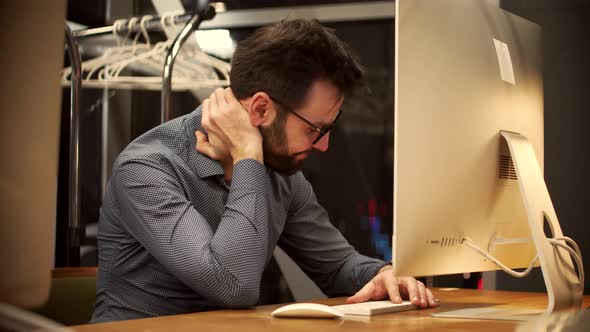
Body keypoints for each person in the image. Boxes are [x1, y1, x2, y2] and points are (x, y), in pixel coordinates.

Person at [91, 19, 438, 323]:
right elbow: (232, 284)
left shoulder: (281, 173)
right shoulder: (147, 169)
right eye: (315, 129)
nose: (323, 146)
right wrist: (246, 154)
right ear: (260, 109)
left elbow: (336, 266)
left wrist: (381, 274)